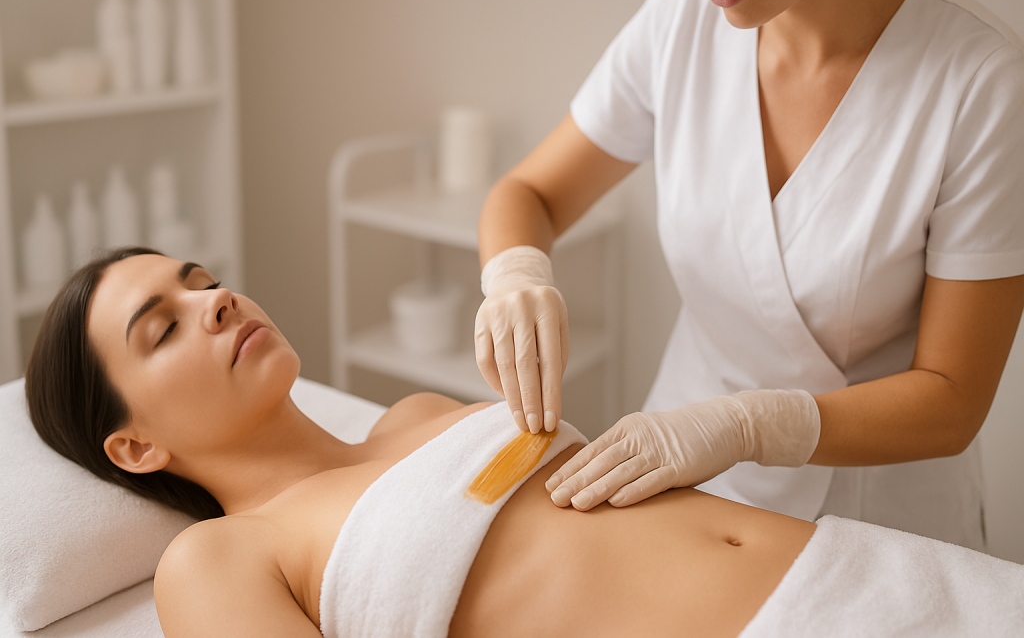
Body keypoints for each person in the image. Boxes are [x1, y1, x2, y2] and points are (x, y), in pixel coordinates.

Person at [23, 248, 1024, 637]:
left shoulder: (419, 414)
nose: (212, 301)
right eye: (160, 325)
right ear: (136, 447)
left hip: (880, 578)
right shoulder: (219, 557)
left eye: (199, 278)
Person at [473, 0, 1024, 547]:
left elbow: (953, 398)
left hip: (872, 513)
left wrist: (745, 425)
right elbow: (531, 193)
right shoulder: (683, 19)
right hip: (669, 466)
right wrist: (514, 274)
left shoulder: (984, 80)